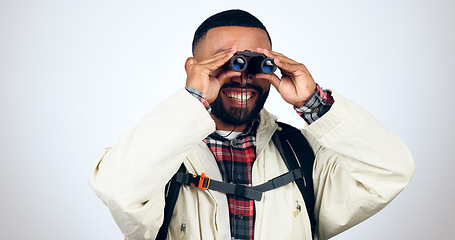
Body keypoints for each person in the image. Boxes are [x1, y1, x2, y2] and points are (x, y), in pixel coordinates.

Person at [89, 9, 414, 240]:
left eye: (255, 62)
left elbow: (391, 169)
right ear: (193, 67)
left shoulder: (302, 154)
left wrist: (312, 102)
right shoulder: (158, 153)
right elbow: (119, 190)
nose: (241, 75)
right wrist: (192, 100)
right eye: (223, 61)